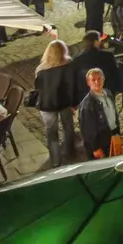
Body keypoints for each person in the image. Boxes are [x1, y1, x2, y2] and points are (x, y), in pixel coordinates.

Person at [33, 39, 78, 168]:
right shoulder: (68, 64)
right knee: (68, 127)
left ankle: (55, 160)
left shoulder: (40, 69)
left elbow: (37, 87)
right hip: (64, 102)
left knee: (51, 133)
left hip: (47, 104)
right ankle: (70, 152)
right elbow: (72, 85)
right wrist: (74, 102)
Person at [77, 68, 119, 160]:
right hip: (101, 143)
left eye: (99, 79)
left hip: (113, 136)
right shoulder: (87, 105)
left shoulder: (108, 94)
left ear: (103, 79)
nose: (97, 82)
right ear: (88, 82)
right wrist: (95, 148)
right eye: (93, 80)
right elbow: (86, 130)